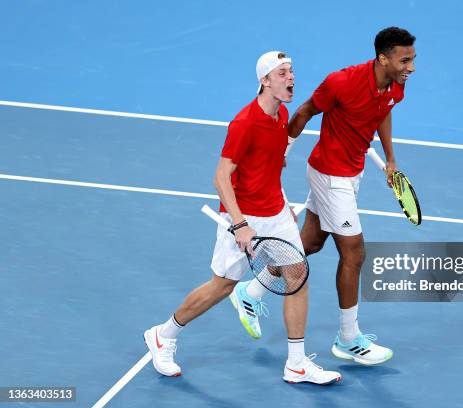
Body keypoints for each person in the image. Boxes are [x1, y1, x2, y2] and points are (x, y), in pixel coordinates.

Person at [144, 51, 341, 385]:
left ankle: (296, 363)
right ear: (264, 80)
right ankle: (164, 334)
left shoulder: (281, 116)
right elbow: (221, 177)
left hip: (275, 211)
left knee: (297, 275)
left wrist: (282, 205)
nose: (291, 78)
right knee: (222, 287)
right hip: (244, 215)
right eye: (282, 73)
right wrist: (239, 224)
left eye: (291, 71)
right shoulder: (245, 122)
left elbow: (272, 165)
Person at [234, 27, 416, 365]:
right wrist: (281, 150)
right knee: (354, 253)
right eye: (405, 60)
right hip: (331, 175)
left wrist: (390, 160)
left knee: (310, 243)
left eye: (412, 59)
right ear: (383, 59)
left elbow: (384, 111)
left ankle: (251, 290)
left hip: (352, 172)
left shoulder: (395, 86)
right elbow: (303, 112)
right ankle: (348, 338)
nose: (411, 67)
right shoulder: (342, 83)